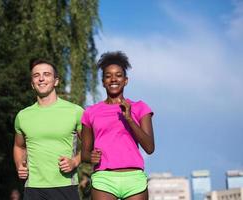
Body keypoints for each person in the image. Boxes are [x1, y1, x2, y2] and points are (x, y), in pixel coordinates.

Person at [81, 51, 155, 200]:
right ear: (103, 82)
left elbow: (149, 147)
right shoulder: (91, 112)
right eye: (108, 76)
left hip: (134, 179)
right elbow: (84, 154)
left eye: (118, 75)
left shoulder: (140, 107)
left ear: (126, 80)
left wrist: (129, 119)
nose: (113, 79)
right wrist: (91, 157)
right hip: (104, 179)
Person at [13, 58, 83, 200]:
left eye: (46, 74)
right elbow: (18, 146)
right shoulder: (23, 115)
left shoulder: (75, 111)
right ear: (32, 84)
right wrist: (19, 165)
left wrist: (75, 161)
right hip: (33, 188)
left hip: (65, 186)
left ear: (56, 81)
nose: (41, 79)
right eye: (36, 75)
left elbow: (91, 144)